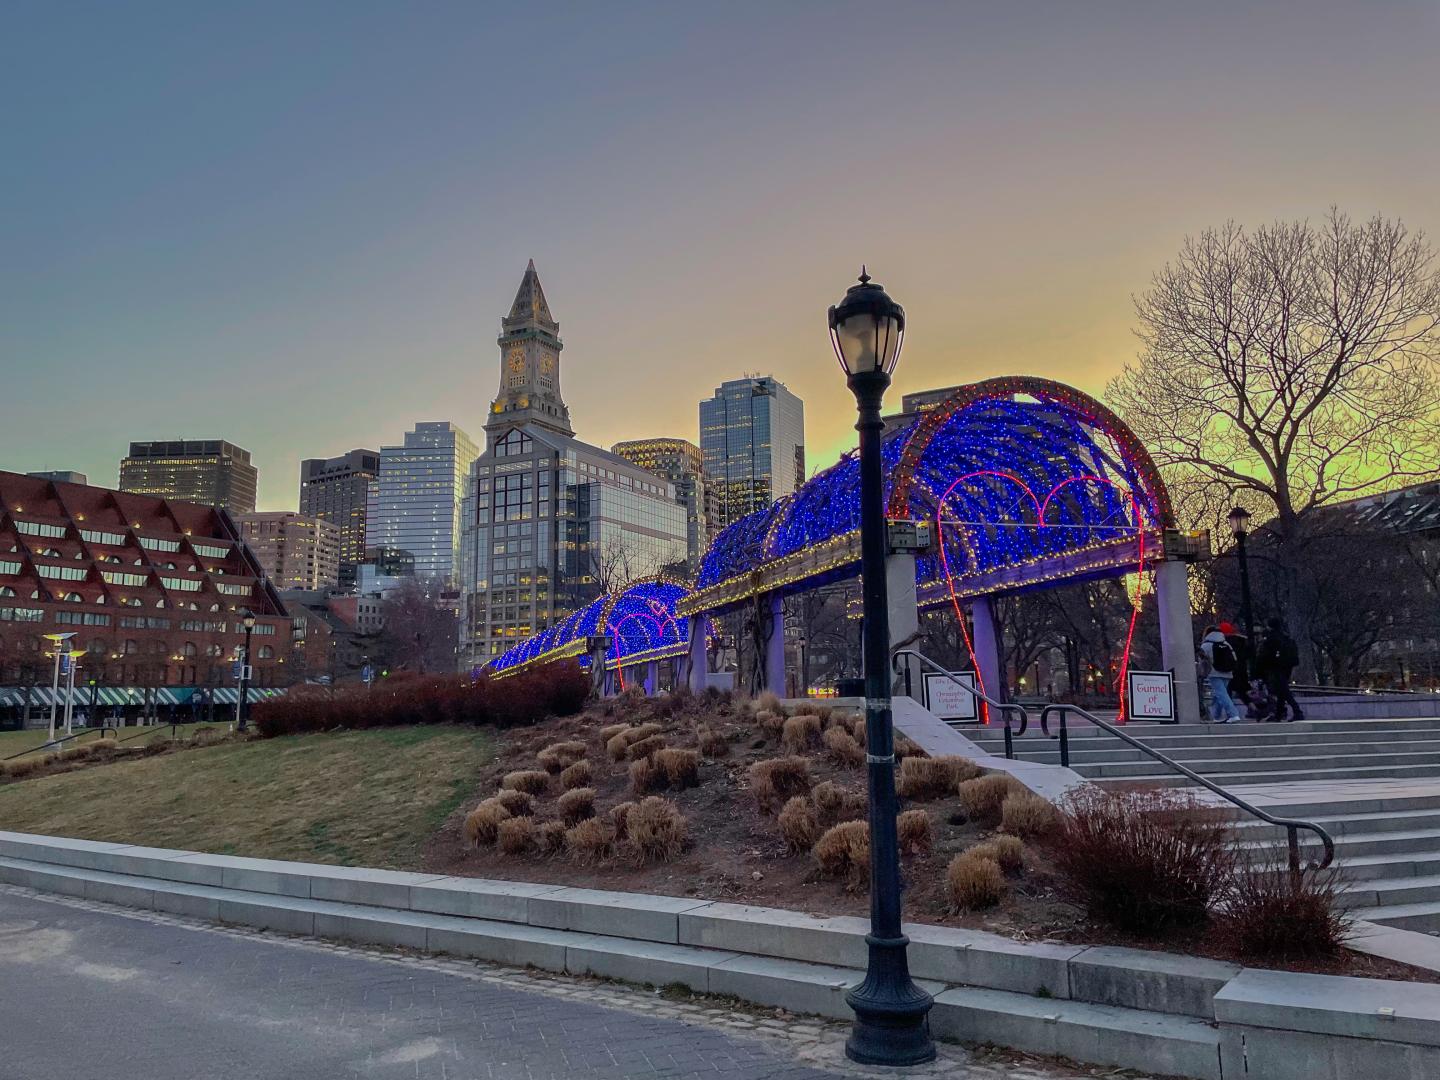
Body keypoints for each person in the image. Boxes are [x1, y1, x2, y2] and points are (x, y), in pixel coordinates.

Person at [1257, 617, 1305, 723]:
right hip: (1287, 666)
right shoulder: (1285, 636)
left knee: (1283, 690)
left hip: (1275, 667)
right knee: (1283, 690)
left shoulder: (1270, 639)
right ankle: (1279, 714)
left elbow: (1265, 656)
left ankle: (1297, 711)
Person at [1199, 625, 1242, 724]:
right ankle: (1217, 716)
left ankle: (1233, 714)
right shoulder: (1226, 643)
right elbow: (1234, 658)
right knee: (1219, 694)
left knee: (1221, 694)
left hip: (1214, 672)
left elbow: (1202, 661)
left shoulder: (1206, 645)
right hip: (1227, 672)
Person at [1218, 621, 1255, 719]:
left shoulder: (1223, 643)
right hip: (1241, 670)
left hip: (1229, 670)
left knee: (1228, 691)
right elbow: (1248, 654)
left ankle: (1230, 712)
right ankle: (1253, 707)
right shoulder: (1240, 641)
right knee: (1242, 691)